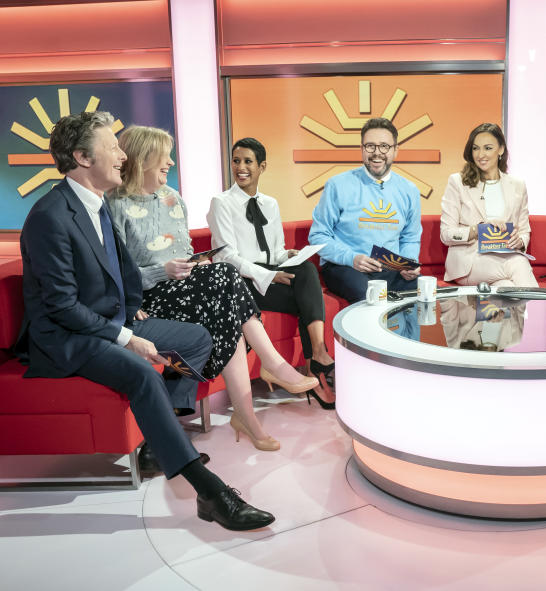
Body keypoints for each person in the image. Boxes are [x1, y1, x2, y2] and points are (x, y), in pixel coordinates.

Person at [17, 111, 273, 530]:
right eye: (113, 147)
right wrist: (125, 337)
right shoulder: (51, 215)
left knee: (196, 339)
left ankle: (158, 439)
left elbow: (125, 274)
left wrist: (135, 310)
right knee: (142, 375)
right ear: (82, 157)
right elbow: (61, 307)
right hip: (66, 337)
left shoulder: (95, 205)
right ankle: (210, 492)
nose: (123, 155)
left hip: (108, 322)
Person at [108, 126, 318, 451]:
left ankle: (247, 412)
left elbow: (183, 248)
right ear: (143, 160)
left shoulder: (172, 199)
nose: (170, 163)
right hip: (149, 296)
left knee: (221, 283)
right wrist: (160, 271)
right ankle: (270, 370)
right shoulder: (114, 206)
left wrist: (195, 263)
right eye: (163, 157)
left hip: (183, 287)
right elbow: (114, 271)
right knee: (225, 279)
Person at [207, 137, 335, 409]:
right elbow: (226, 256)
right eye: (236, 161)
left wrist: (286, 257)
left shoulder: (270, 204)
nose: (241, 167)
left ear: (262, 166)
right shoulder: (222, 202)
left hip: (269, 271)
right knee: (308, 297)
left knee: (306, 269)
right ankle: (318, 362)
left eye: (248, 162)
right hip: (240, 281)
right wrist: (269, 275)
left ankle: (315, 363)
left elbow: (275, 251)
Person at [309, 117, 422, 303]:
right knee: (369, 295)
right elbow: (318, 236)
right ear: (362, 149)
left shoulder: (409, 190)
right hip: (345, 267)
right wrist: (352, 258)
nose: (377, 153)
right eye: (370, 146)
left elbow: (410, 237)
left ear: (395, 150)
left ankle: (406, 333)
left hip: (390, 269)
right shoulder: (337, 185)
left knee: (424, 291)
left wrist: (408, 264)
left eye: (384, 146)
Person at [439, 123, 538, 287]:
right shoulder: (457, 182)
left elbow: (524, 230)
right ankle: (541, 308)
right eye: (476, 148)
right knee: (518, 263)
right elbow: (446, 234)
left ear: (500, 150)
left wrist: (519, 242)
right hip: (469, 261)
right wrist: (476, 230)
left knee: (506, 287)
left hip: (505, 255)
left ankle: (519, 312)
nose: (480, 154)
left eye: (488, 148)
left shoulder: (517, 185)